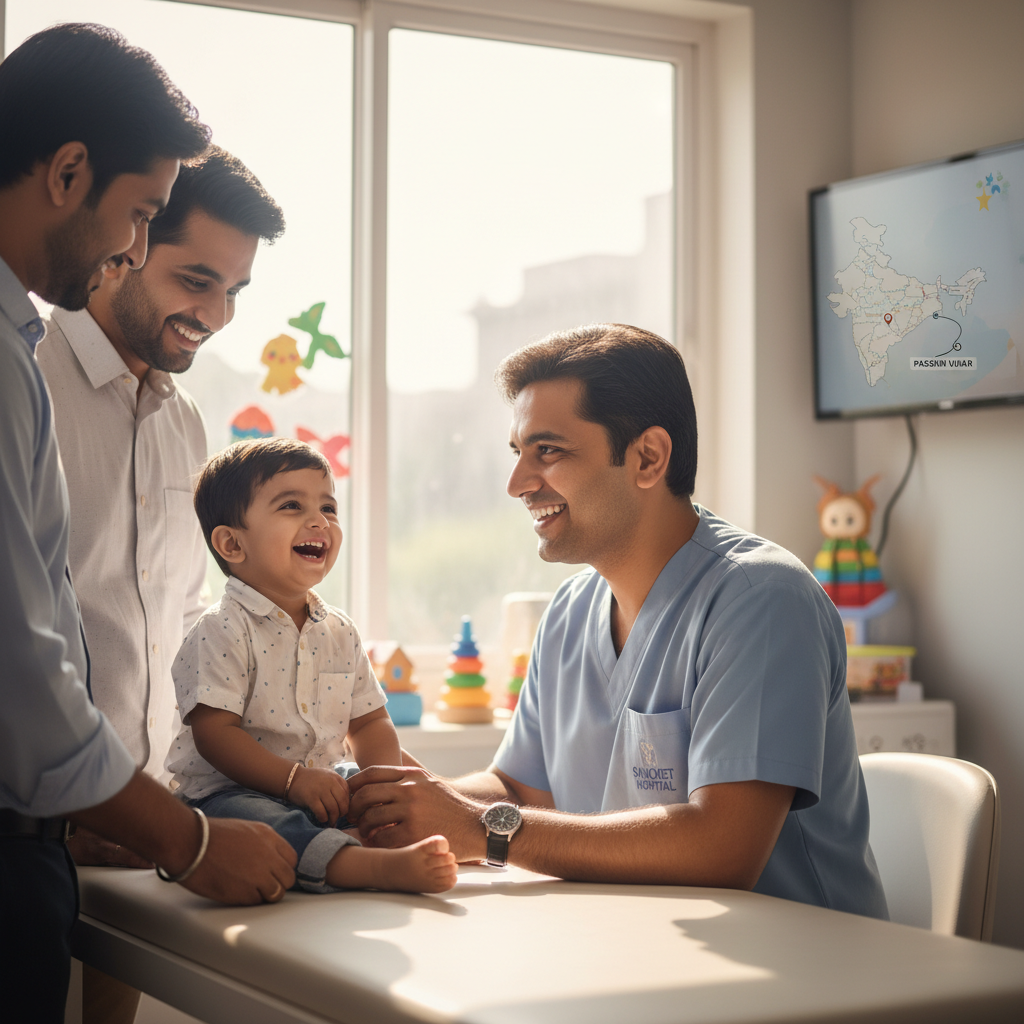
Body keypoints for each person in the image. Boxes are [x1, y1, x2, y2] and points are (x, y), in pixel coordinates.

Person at [348, 323, 889, 920]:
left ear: (648, 458)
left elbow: (723, 849)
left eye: (548, 451)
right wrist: (395, 800)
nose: (518, 484)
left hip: (804, 977)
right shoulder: (569, 610)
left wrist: (481, 828)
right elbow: (521, 791)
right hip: (631, 943)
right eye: (519, 453)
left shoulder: (762, 599)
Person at [0, 23, 295, 1022]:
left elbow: (171, 636)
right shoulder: (23, 368)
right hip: (52, 824)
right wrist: (189, 840)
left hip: (128, 835)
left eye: (235, 292)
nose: (213, 316)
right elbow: (25, 664)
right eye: (187, 271)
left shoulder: (189, 429)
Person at [166, 438, 458, 894]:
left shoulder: (339, 631)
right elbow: (214, 735)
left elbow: (371, 723)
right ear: (232, 543)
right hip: (232, 794)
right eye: (291, 505)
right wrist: (291, 781)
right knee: (258, 823)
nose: (319, 520)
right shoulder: (220, 630)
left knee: (364, 788)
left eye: (328, 507)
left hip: (322, 782)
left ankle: (367, 838)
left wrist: (381, 789)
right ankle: (367, 867)